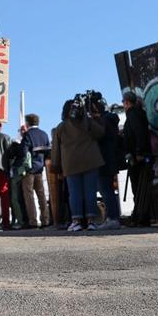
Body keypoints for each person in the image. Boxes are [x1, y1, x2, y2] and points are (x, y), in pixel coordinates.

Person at [52, 97, 105, 232]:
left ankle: (76, 221)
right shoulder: (87, 122)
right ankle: (91, 221)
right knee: (90, 192)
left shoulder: (61, 127)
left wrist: (56, 167)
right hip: (91, 161)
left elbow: (56, 149)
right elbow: (100, 133)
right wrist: (89, 118)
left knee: (74, 193)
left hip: (70, 164)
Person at [122, 91, 155, 226]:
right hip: (140, 155)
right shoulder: (138, 113)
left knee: (138, 188)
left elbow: (138, 133)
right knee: (141, 188)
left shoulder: (133, 115)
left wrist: (138, 152)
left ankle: (141, 217)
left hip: (138, 157)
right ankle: (141, 216)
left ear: (126, 102)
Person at [93, 103, 122, 230]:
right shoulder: (111, 121)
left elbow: (99, 137)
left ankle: (112, 218)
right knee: (108, 189)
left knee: (105, 190)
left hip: (103, 160)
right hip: (111, 159)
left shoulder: (102, 122)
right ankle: (114, 217)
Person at [20, 114, 50, 228]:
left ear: (28, 122)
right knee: (41, 194)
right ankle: (45, 219)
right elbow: (48, 151)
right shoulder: (44, 134)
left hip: (29, 169)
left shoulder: (27, 135)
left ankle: (33, 221)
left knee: (29, 195)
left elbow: (24, 152)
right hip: (40, 168)